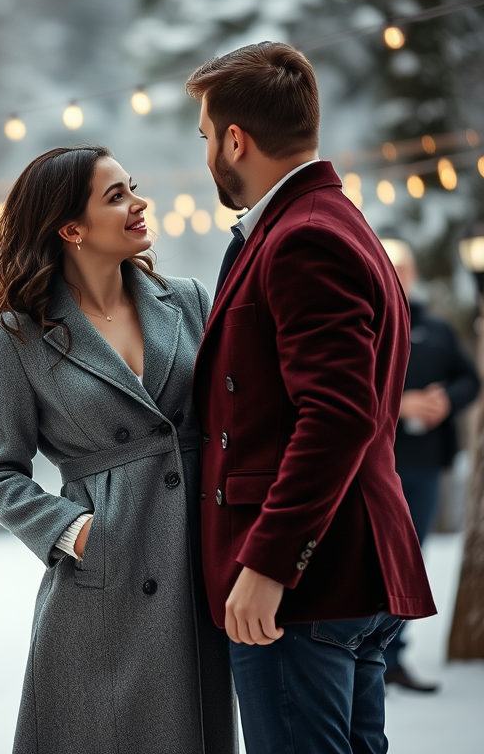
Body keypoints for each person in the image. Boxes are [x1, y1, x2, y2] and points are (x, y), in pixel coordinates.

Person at [185, 42, 437, 754]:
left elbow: (338, 413)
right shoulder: (329, 219)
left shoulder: (302, 239)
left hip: (306, 585)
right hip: (343, 571)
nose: (208, 154)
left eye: (206, 137)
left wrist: (268, 565)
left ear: (236, 139)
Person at [0, 146, 236, 753]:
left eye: (133, 188)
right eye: (116, 196)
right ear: (71, 229)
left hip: (197, 562)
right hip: (101, 585)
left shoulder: (187, 299)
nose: (139, 204)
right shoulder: (19, 333)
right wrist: (78, 532)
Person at [382, 238, 480, 692]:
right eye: (391, 266)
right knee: (378, 559)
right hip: (378, 466)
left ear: (414, 274)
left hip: (425, 466)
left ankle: (396, 655)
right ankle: (373, 655)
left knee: (412, 559)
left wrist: (446, 401)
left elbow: (470, 380)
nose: (398, 275)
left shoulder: (436, 329)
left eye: (405, 268)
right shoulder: (364, 324)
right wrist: (399, 406)